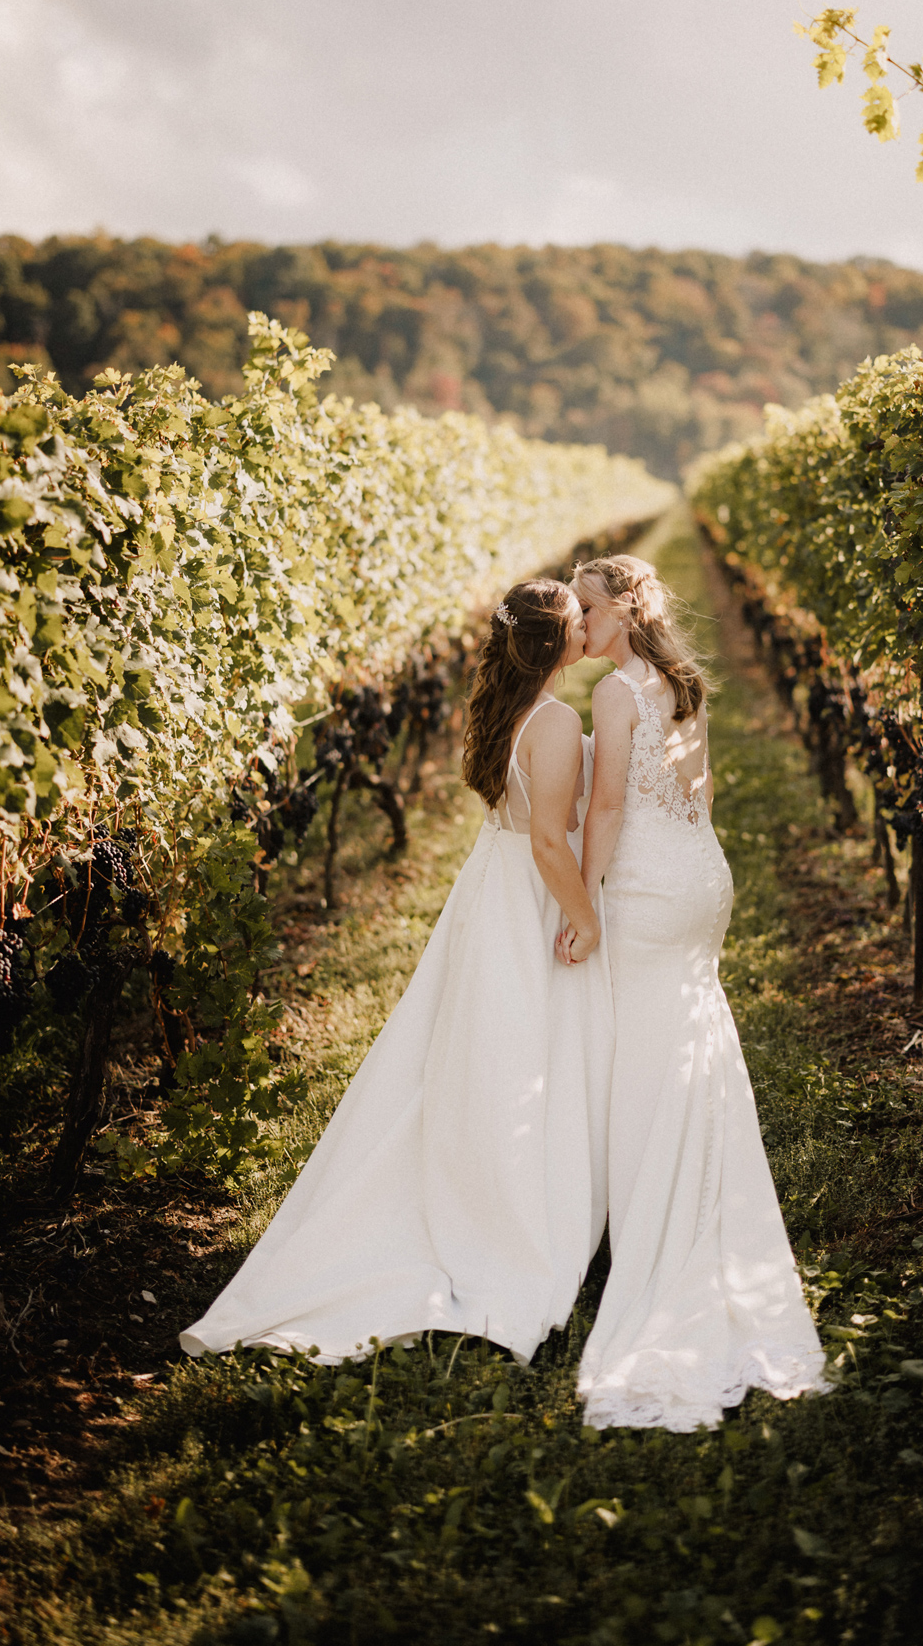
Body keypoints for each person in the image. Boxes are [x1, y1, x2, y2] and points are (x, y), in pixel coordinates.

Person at [179, 578, 609, 1367]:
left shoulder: (512, 708)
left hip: (494, 886)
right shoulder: (553, 720)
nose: (589, 624)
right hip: (528, 894)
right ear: (554, 641)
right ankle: (511, 1212)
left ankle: (488, 1183)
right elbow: (551, 841)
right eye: (578, 618)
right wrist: (584, 916)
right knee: (521, 1050)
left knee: (491, 1047)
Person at [566, 554, 826, 1430]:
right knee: (691, 1038)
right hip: (701, 877)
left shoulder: (615, 693)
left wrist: (587, 903)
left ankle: (659, 1231)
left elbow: (608, 809)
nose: (580, 622)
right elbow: (699, 794)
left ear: (623, 611)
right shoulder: (682, 681)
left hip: (648, 886)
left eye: (588, 608)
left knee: (648, 1052)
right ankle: (703, 1205)